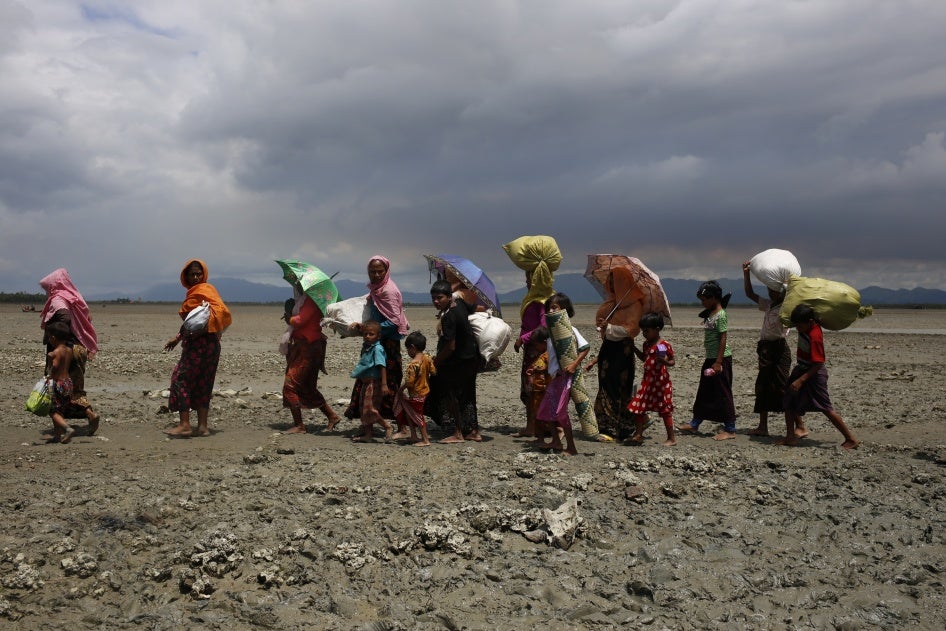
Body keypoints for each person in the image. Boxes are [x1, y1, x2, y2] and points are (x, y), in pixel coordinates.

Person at [163, 259, 232, 438]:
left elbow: (201, 322)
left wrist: (194, 334)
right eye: (192, 274)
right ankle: (202, 427)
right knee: (204, 383)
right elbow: (193, 322)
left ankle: (185, 424)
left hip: (199, 346)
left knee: (180, 379)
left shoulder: (205, 291)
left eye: (198, 274)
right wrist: (177, 339)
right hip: (212, 346)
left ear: (204, 274)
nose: (195, 277)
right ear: (185, 276)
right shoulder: (204, 292)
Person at [778, 304, 859, 449]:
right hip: (802, 369)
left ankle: (851, 438)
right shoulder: (807, 327)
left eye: (799, 325)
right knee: (788, 400)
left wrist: (800, 380)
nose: (797, 328)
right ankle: (790, 437)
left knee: (825, 407)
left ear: (810, 321)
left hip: (813, 374)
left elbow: (818, 363)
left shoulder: (814, 335)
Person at [345, 256, 410, 422]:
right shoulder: (376, 289)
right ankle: (371, 420)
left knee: (387, 381)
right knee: (368, 379)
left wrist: (371, 330)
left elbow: (394, 321)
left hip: (387, 344)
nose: (376, 275)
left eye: (380, 271)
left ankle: (396, 421)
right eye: (372, 271)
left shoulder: (388, 291)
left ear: (386, 271)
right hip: (375, 340)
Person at [39, 268, 100, 435]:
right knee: (75, 388)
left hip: (67, 348)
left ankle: (61, 429)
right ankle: (90, 414)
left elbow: (64, 318)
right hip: (79, 348)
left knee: (56, 390)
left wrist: (57, 338)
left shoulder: (58, 299)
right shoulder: (75, 298)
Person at [588, 268, 643, 442]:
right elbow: (604, 329)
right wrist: (604, 326)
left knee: (620, 386)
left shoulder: (635, 305)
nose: (610, 285)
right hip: (608, 350)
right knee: (605, 384)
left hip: (623, 351)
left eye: (614, 281)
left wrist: (609, 327)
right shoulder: (611, 304)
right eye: (609, 281)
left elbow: (631, 330)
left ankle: (622, 425)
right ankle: (605, 424)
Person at [678, 281, 737, 440]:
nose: (702, 303)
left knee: (723, 393)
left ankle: (730, 429)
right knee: (704, 391)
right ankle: (695, 423)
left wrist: (718, 362)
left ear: (714, 298)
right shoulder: (711, 313)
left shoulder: (721, 315)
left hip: (720, 359)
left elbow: (723, 338)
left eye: (704, 299)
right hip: (710, 358)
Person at [281, 283, 341, 434]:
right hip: (304, 346)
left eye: (300, 284)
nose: (298, 286)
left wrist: (290, 319)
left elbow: (301, 321)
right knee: (307, 386)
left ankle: (299, 425)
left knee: (290, 385)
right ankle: (332, 416)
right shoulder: (302, 301)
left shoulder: (311, 301)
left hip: (308, 348)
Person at [742, 260, 793, 437]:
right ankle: (763, 427)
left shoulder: (787, 308)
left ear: (782, 294)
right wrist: (746, 273)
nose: (770, 293)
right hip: (765, 349)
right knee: (762, 386)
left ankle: (797, 426)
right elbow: (749, 293)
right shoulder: (768, 305)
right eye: (769, 290)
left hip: (779, 348)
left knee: (782, 386)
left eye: (773, 291)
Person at [533, 294, 588, 455]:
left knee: (560, 413)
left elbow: (585, 347)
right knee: (545, 410)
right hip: (555, 378)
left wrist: (574, 364)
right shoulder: (551, 331)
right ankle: (556, 442)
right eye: (549, 307)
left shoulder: (570, 329)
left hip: (565, 379)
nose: (550, 310)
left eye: (554, 307)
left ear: (565, 310)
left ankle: (571, 447)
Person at [428, 280, 481, 444]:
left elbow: (450, 346)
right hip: (471, 358)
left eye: (440, 298)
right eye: (434, 298)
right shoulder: (460, 304)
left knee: (453, 396)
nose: (436, 301)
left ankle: (457, 432)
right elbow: (476, 309)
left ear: (449, 297)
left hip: (456, 362)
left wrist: (436, 362)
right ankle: (473, 430)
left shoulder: (449, 316)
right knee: (468, 395)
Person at [510, 264, 555, 438]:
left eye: (529, 278)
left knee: (534, 389)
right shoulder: (537, 298)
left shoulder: (542, 301)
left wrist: (523, 338)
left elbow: (543, 326)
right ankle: (535, 425)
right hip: (532, 349)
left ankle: (535, 427)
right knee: (533, 390)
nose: (527, 281)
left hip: (536, 351)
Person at [626, 313, 676, 446]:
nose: (644, 334)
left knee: (665, 410)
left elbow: (672, 362)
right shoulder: (646, 344)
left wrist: (664, 361)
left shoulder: (664, 345)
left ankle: (671, 438)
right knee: (639, 407)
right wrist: (634, 348)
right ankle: (638, 434)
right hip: (648, 383)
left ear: (657, 329)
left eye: (646, 331)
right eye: (643, 331)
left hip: (661, 383)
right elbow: (644, 358)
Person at [350, 321, 394, 443]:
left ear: (378, 336)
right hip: (365, 383)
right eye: (365, 334)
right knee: (364, 409)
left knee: (371, 409)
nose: (368, 336)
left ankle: (387, 426)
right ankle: (368, 434)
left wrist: (384, 384)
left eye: (371, 334)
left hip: (373, 384)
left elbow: (382, 366)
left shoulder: (377, 349)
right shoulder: (366, 347)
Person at [392, 331, 436, 446]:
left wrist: (401, 389)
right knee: (409, 412)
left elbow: (409, 382)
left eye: (408, 349)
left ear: (412, 347)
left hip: (416, 394)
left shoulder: (413, 364)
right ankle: (414, 435)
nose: (407, 352)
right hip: (425, 391)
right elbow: (433, 371)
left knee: (417, 416)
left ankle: (425, 439)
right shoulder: (427, 358)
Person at [44, 321, 76, 444]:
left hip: (58, 383)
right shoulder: (69, 350)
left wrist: (50, 360)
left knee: (52, 411)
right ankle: (58, 435)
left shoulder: (55, 352)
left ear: (53, 338)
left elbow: (55, 368)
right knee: (59, 410)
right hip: (68, 382)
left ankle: (67, 429)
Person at [524, 326, 551, 436]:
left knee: (542, 413)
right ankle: (539, 435)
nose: (535, 347)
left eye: (536, 345)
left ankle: (546, 434)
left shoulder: (548, 355)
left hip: (544, 389)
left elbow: (550, 369)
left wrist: (539, 369)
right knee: (537, 413)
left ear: (544, 342)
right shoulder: (542, 355)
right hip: (537, 389)